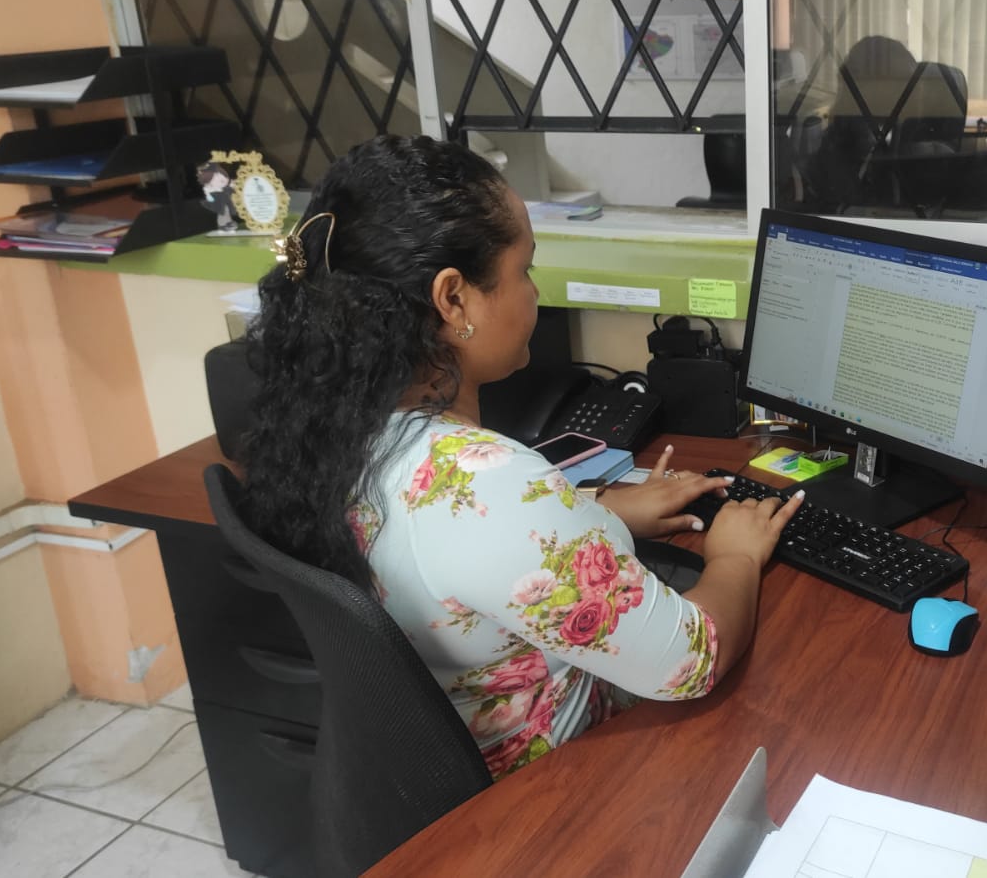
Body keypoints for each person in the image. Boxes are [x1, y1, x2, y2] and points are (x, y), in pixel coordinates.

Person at [239, 135, 800, 778]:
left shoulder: (327, 424)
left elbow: (448, 548)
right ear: (453, 299)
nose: (534, 293)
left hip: (425, 761)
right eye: (525, 269)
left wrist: (595, 513)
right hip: (550, 789)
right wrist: (735, 555)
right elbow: (692, 661)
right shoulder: (489, 487)